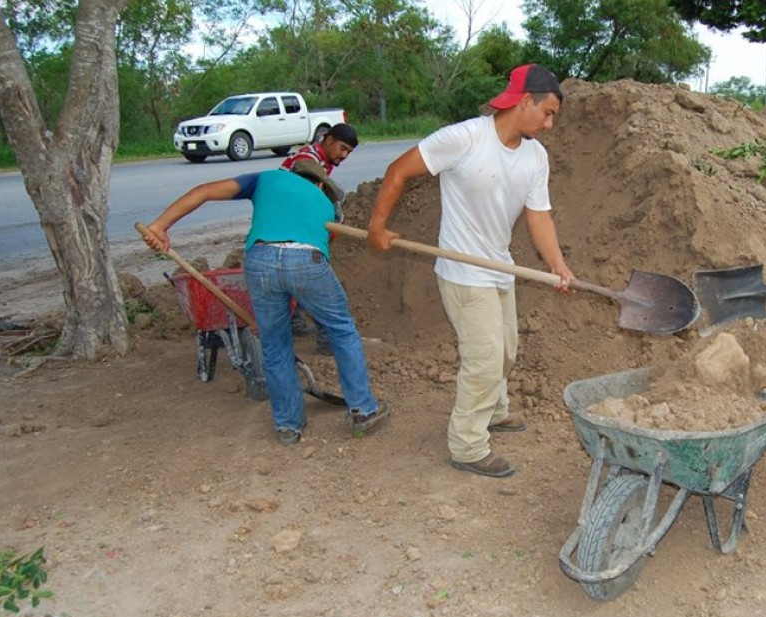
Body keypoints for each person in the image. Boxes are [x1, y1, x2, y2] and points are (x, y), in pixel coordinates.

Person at [367, 63, 575, 478]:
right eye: (548, 112)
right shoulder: (465, 137)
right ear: (525, 101)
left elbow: (539, 217)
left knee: (506, 351)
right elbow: (399, 171)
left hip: (499, 267)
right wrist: (377, 225)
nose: (550, 124)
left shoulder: (535, 156)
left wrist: (558, 265)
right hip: (463, 271)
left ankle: (494, 411)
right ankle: (467, 444)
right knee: (483, 359)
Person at [144, 159, 390, 445]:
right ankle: (362, 409)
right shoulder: (327, 206)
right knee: (342, 329)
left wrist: (159, 226)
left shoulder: (267, 179)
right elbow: (310, 262)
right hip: (306, 259)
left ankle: (288, 426)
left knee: (274, 343)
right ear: (321, 184)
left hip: (260, 259)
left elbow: (204, 191)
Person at [281, 123, 359, 352]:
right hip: (291, 228)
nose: (343, 155)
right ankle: (327, 340)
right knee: (316, 284)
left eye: (348, 153)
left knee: (294, 279)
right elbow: (306, 200)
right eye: (342, 148)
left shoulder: (321, 160)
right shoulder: (307, 160)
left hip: (291, 226)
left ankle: (294, 323)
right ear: (328, 139)